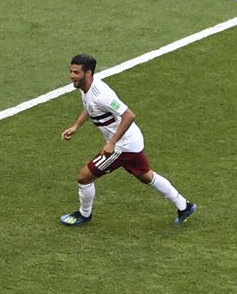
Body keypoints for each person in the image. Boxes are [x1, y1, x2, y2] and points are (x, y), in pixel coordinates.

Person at [59, 53, 196, 226]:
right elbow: (90, 107)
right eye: (71, 71)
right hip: (132, 141)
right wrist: (76, 126)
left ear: (88, 73)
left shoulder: (101, 94)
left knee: (84, 178)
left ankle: (84, 214)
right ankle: (184, 205)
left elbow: (129, 115)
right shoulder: (85, 89)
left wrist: (112, 142)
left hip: (124, 145)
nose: (72, 76)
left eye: (76, 72)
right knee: (146, 176)